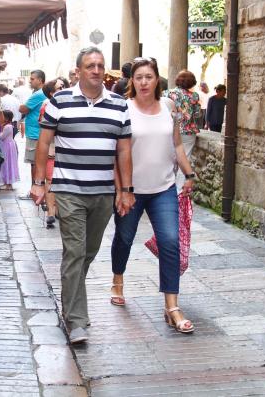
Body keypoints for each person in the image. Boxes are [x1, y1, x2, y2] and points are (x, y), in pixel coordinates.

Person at [32, 47, 134, 345]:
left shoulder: (118, 104)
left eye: (100, 65)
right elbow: (43, 143)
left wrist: (125, 190)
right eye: (90, 65)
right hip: (68, 189)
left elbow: (124, 149)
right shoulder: (58, 102)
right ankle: (77, 320)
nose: (96, 70)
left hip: (103, 192)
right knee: (75, 252)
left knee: (87, 253)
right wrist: (39, 183)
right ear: (78, 71)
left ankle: (71, 292)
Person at [110, 57, 196, 333]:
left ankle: (172, 306)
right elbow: (115, 153)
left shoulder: (168, 107)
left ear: (157, 79)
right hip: (131, 190)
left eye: (149, 77)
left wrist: (189, 174)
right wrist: (121, 189)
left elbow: (178, 146)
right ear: (132, 81)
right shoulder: (123, 108)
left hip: (163, 189)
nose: (144, 82)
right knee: (124, 238)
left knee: (170, 241)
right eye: (139, 78)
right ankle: (117, 280)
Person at [38, 78, 67, 227]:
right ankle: (51, 211)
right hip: (52, 149)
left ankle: (56, 210)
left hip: (67, 150)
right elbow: (44, 130)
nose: (62, 89)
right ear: (51, 92)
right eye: (59, 88)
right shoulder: (46, 105)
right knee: (50, 180)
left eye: (64, 86)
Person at [166, 70, 201, 190]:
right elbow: (197, 114)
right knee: (184, 158)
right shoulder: (194, 96)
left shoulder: (168, 93)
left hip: (171, 130)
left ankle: (167, 187)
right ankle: (179, 190)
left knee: (170, 158)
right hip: (188, 131)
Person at [19, 70, 47, 197]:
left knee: (34, 163)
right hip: (37, 131)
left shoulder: (39, 94)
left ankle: (34, 191)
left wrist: (22, 107)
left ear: (40, 80)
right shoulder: (40, 93)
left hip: (35, 133)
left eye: (32, 79)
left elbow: (23, 108)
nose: (30, 81)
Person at [0, 110, 20, 190]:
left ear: (6, 118)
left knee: (7, 164)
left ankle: (8, 183)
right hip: (8, 146)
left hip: (7, 147)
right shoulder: (9, 125)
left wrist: (0, 130)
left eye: (2, 116)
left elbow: (1, 137)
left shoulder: (7, 127)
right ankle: (8, 183)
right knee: (8, 164)